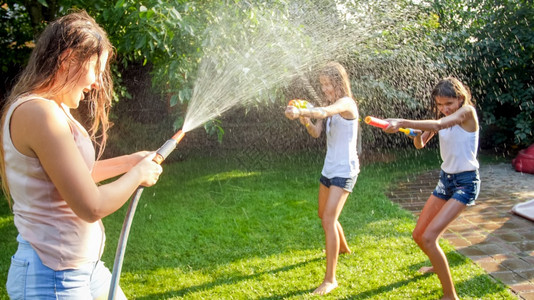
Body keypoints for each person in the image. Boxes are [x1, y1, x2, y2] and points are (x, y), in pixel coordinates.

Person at [0, 11, 163, 299]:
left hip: (83, 270)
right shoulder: (38, 113)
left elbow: (74, 175)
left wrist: (130, 161)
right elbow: (91, 205)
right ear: (68, 59)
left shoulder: (54, 109)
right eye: (95, 70)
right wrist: (138, 174)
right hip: (52, 278)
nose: (98, 83)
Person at [383, 77, 480, 300]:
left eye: (449, 103)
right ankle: (437, 265)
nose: (444, 109)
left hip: (465, 183)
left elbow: (436, 126)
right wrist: (413, 134)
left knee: (429, 238)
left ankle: (450, 295)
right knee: (419, 235)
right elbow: (421, 143)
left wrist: (402, 121)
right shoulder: (442, 117)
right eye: (439, 105)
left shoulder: (467, 113)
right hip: (446, 181)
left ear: (460, 98)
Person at [285, 61, 359, 295]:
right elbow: (316, 132)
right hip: (329, 169)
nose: (325, 89)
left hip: (345, 170)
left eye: (328, 84)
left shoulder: (346, 104)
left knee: (328, 219)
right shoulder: (329, 104)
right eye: (322, 85)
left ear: (339, 82)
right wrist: (304, 120)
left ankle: (330, 279)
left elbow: (324, 112)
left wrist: (302, 110)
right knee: (323, 215)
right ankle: (344, 248)